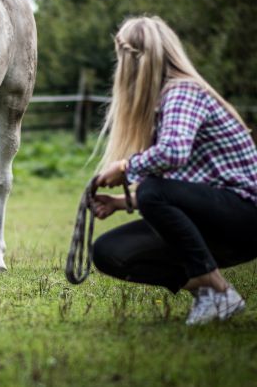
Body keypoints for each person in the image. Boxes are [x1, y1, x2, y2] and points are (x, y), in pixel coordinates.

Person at [91, 16, 257, 325]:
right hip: (214, 218)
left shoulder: (182, 92)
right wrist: (120, 204)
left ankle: (218, 288)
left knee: (154, 189)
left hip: (246, 216)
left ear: (129, 60)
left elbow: (174, 153)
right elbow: (182, 190)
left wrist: (126, 168)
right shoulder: (162, 104)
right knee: (109, 251)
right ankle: (208, 293)